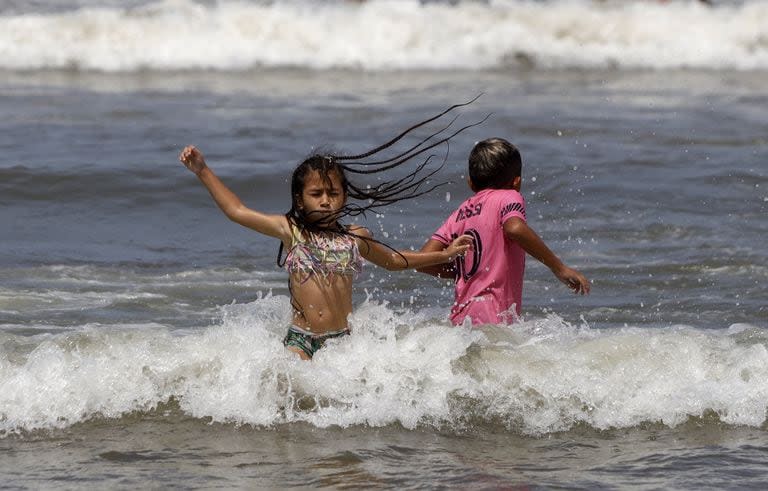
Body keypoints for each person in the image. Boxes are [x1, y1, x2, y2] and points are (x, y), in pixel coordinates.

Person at [178, 107, 478, 359]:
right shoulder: (291, 231)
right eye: (316, 193)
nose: (325, 200)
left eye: (333, 193)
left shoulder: (355, 237)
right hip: (301, 340)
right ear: (300, 200)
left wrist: (444, 254)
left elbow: (394, 261)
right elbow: (237, 211)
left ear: (344, 197)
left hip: (343, 342)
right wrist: (203, 170)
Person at [418, 137, 590, 326]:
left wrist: (463, 271)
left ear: (470, 184)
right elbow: (514, 228)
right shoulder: (509, 196)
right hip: (494, 318)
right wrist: (559, 268)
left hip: (461, 319)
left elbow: (423, 261)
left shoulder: (460, 212)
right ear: (516, 182)